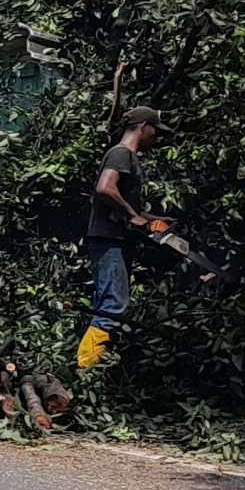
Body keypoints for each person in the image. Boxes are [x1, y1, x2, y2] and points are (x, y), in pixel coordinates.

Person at [79, 105, 176, 368]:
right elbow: (105, 188)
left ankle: (93, 368)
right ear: (144, 127)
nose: (156, 137)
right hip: (108, 240)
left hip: (114, 240)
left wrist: (149, 218)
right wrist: (134, 216)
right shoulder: (121, 153)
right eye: (155, 130)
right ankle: (86, 367)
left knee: (111, 303)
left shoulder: (125, 156)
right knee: (113, 304)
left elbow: (119, 201)